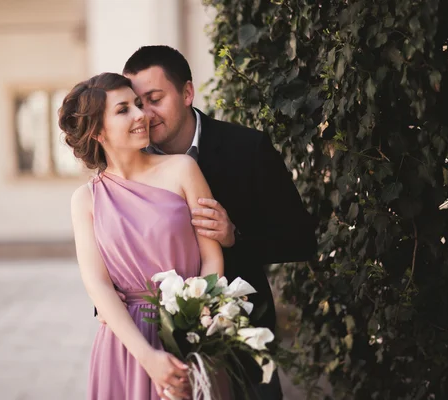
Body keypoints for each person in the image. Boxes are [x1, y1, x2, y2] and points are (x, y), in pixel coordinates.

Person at [122, 45, 318, 399]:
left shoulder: (248, 148)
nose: (145, 115)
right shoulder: (130, 166)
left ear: (186, 92)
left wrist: (235, 237)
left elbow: (301, 238)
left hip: (241, 337)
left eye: (154, 99)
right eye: (136, 104)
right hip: (158, 346)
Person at [61, 72, 225, 400]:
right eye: (124, 110)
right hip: (126, 344)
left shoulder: (182, 169)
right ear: (96, 130)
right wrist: (148, 358)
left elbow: (211, 255)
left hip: (193, 329)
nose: (142, 115)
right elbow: (98, 285)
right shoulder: (86, 200)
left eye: (138, 104)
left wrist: (195, 334)